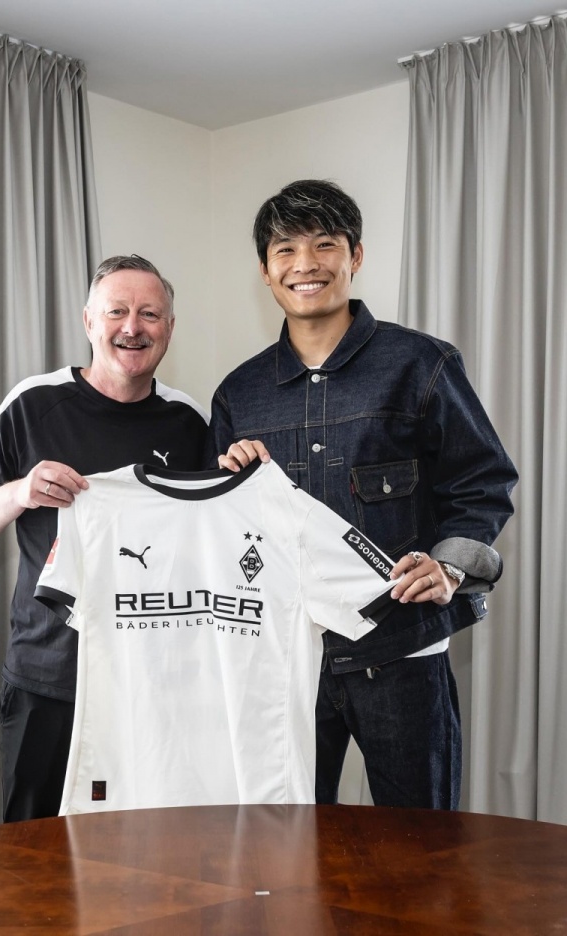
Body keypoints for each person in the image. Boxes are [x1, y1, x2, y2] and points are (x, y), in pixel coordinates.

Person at [208, 180, 518, 809]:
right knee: (283, 844)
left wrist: (450, 566)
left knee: (419, 846)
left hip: (403, 651)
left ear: (355, 255)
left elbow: (482, 481)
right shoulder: (239, 394)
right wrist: (234, 483)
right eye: (285, 249)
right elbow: (220, 529)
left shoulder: (422, 364)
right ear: (265, 270)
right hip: (284, 662)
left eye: (324, 244)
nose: (305, 264)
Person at [0, 255, 211, 822]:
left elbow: (211, 545)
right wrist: (21, 491)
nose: (132, 327)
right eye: (117, 311)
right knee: (31, 850)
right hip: (47, 677)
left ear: (169, 328)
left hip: (151, 683)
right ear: (89, 320)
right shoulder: (33, 402)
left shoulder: (190, 422)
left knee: (143, 850)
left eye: (149, 314)